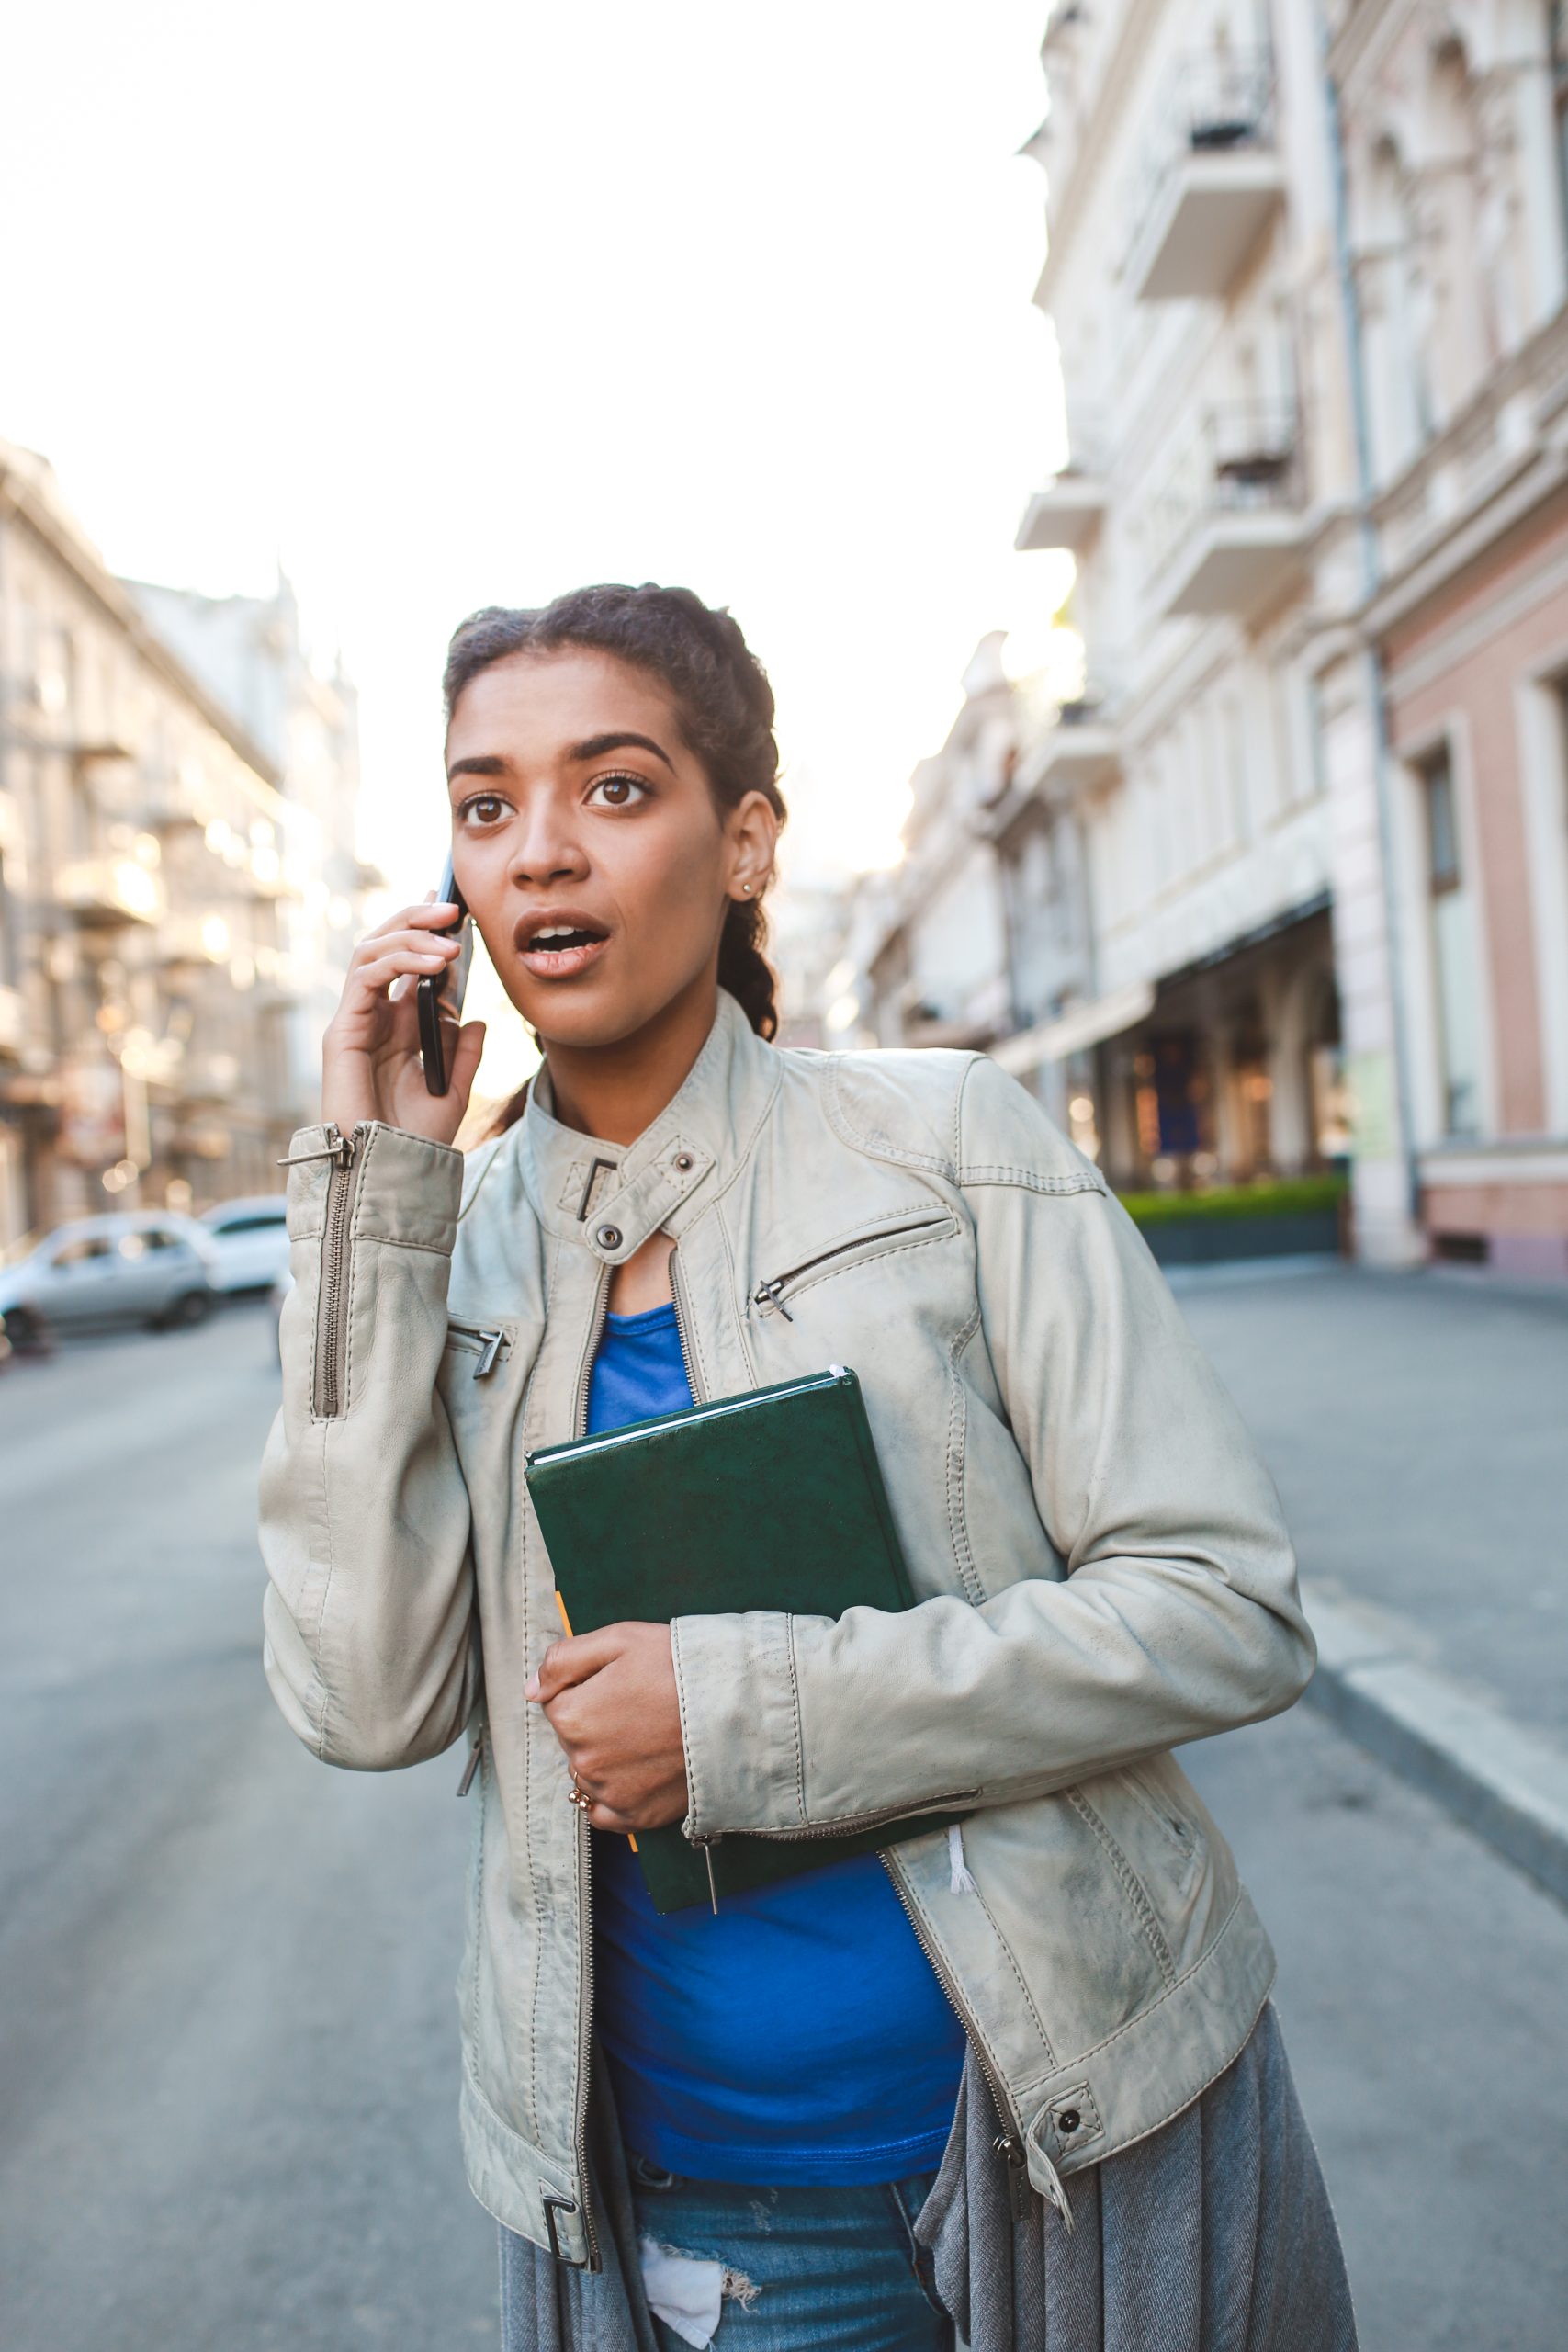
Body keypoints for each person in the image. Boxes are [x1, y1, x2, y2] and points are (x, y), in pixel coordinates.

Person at [259, 582, 1357, 2352]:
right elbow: (361, 1700)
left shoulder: (953, 1149)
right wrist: (366, 1212)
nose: (540, 854)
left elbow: (1224, 1609)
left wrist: (747, 1715)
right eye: (486, 806)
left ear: (746, 837)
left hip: (1074, 2116)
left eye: (614, 789)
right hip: (708, 2196)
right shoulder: (434, 1249)